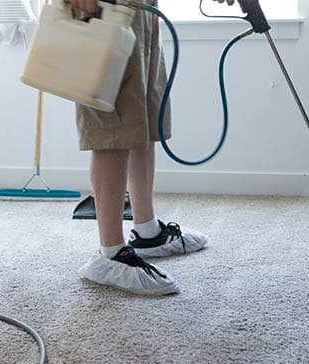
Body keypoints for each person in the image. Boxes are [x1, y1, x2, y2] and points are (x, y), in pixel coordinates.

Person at [70, 0, 234, 296]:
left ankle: (147, 231)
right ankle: (111, 253)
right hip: (101, 9)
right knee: (113, 122)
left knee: (143, 116)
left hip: (140, 8)